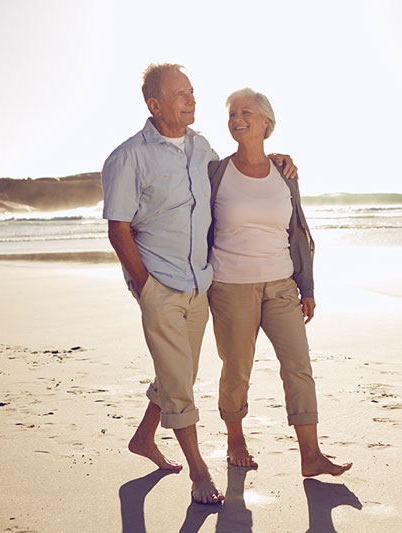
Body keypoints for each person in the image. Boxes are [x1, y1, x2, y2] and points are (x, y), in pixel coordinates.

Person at [101, 64, 296, 504]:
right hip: (159, 283)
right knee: (180, 380)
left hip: (199, 281)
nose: (191, 100)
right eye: (179, 95)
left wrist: (276, 158)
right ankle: (199, 473)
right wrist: (146, 285)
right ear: (155, 105)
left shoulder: (201, 147)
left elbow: (239, 173)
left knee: (179, 371)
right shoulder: (127, 157)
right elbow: (118, 229)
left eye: (192, 92)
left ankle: (144, 439)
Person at [207, 88, 352, 477]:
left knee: (298, 366)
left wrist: (307, 287)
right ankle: (235, 438)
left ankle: (311, 455)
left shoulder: (285, 174)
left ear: (266, 122)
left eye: (246, 112)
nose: (238, 118)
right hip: (230, 285)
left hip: (282, 285)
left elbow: (298, 233)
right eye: (233, 113)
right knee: (237, 368)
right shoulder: (215, 173)